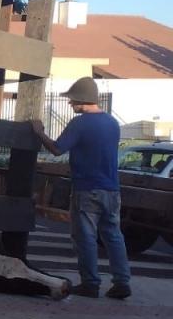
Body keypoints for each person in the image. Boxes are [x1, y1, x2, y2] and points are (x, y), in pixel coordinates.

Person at [29, 77, 131, 299]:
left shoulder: (81, 123)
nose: (69, 103)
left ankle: (90, 283)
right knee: (113, 235)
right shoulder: (112, 123)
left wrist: (39, 132)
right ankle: (122, 281)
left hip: (87, 189)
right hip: (112, 189)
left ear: (81, 99)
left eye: (72, 99)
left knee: (85, 237)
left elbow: (57, 149)